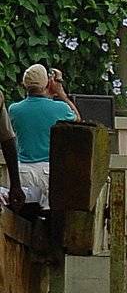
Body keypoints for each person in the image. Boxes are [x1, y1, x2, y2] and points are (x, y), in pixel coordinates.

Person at [9, 64, 79, 207]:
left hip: (23, 171)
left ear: (24, 84)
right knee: (51, 217)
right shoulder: (60, 108)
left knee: (24, 218)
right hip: (49, 170)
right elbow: (78, 119)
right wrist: (61, 93)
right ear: (47, 83)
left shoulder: (14, 110)